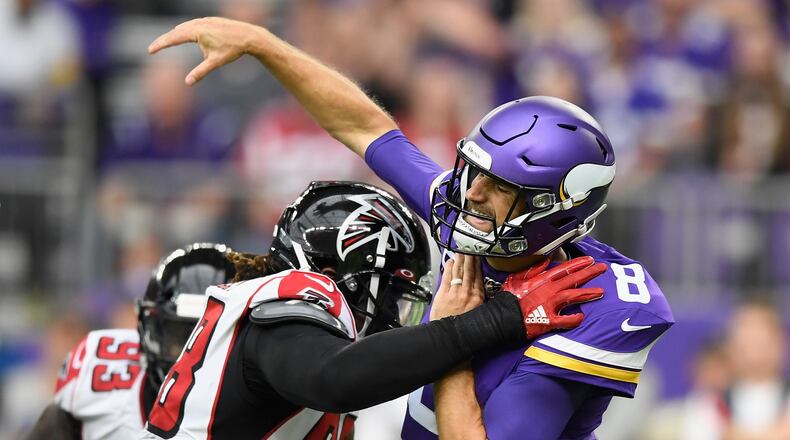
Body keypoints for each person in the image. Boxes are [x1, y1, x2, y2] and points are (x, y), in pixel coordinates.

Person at [148, 17, 675, 439]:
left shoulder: (592, 301)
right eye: (475, 173)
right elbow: (364, 126)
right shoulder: (469, 219)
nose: (470, 195)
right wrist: (266, 46)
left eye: (500, 188)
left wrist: (457, 336)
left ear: (553, 208)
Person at [139, 180, 606, 439]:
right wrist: (499, 318)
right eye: (392, 296)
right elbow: (335, 379)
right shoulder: (289, 293)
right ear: (346, 269)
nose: (391, 317)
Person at [26, 242, 237, 439]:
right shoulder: (98, 375)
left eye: (212, 338)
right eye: (180, 336)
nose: (192, 355)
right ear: (150, 330)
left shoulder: (262, 402)